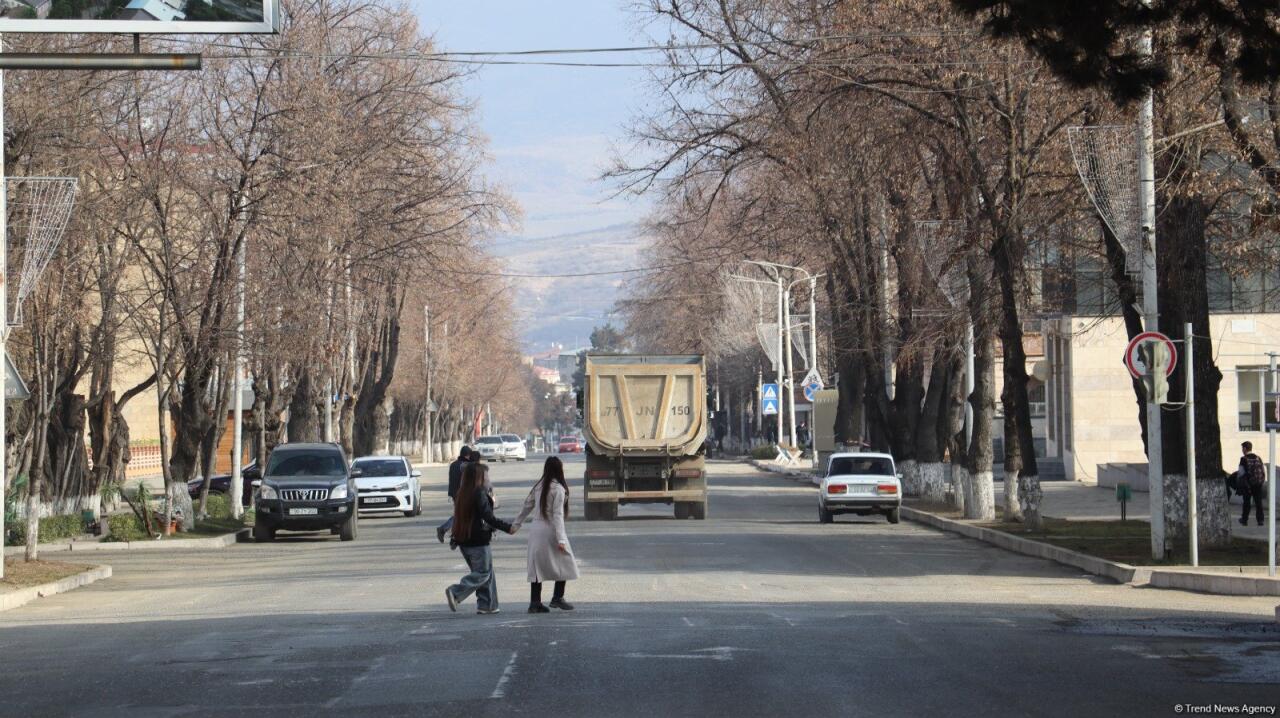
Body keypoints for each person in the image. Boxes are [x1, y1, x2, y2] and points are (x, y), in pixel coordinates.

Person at [512, 456, 580, 613]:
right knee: (565, 562)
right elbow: (557, 516)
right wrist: (561, 539)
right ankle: (557, 597)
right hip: (550, 530)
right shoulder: (559, 489)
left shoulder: (538, 486)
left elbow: (526, 506)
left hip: (536, 529)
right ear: (559, 470)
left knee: (537, 567)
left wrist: (516, 524)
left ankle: (534, 603)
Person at [445, 462, 514, 615]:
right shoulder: (479, 493)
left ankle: (487, 605)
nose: (489, 478)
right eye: (486, 475)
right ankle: (455, 592)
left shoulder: (462, 492)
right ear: (479, 477)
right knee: (483, 573)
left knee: (485, 573)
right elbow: (488, 517)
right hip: (477, 541)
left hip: (464, 541)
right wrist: (508, 527)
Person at [436, 446, 473, 543]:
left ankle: (457, 535)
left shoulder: (453, 465)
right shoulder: (465, 465)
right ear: (467, 455)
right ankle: (445, 530)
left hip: (454, 493)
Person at [1237, 441, 1268, 527]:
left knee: (1247, 502)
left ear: (1245, 449)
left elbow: (1241, 473)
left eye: (1242, 448)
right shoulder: (1258, 458)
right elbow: (1262, 470)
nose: (1242, 450)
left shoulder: (1243, 459)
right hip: (1258, 484)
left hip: (1248, 484)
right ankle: (1260, 520)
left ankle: (1244, 520)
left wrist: (1240, 482)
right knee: (1258, 502)